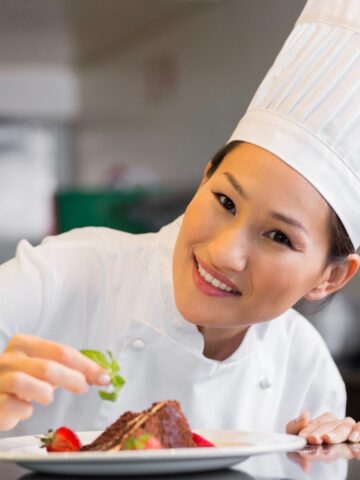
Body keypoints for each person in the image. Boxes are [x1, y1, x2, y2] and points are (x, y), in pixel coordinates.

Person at [0, 0, 360, 446]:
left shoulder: (307, 373)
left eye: (278, 236)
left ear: (331, 275)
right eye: (225, 200)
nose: (225, 252)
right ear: (205, 177)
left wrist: (304, 461)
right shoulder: (64, 275)